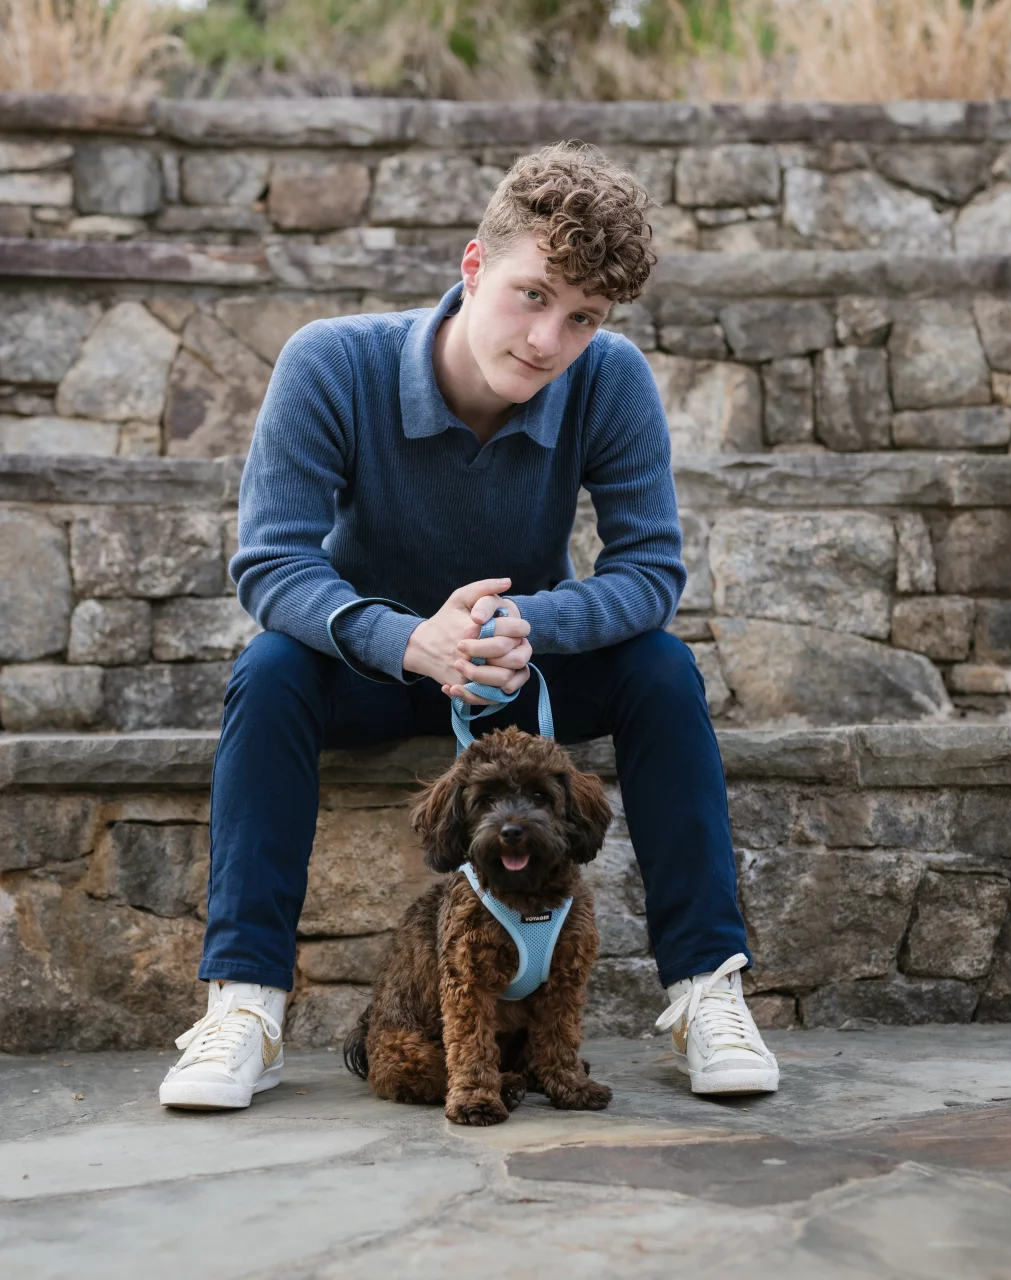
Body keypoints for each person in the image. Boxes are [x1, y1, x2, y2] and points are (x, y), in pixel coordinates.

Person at [158, 141, 779, 1112]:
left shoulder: (608, 379)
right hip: (373, 661)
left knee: (659, 667)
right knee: (270, 668)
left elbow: (650, 570)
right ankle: (245, 1002)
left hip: (516, 673)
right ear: (474, 265)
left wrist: (524, 620)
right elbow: (272, 562)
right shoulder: (332, 361)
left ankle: (706, 985)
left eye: (581, 317)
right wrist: (410, 638)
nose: (547, 340)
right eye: (534, 295)